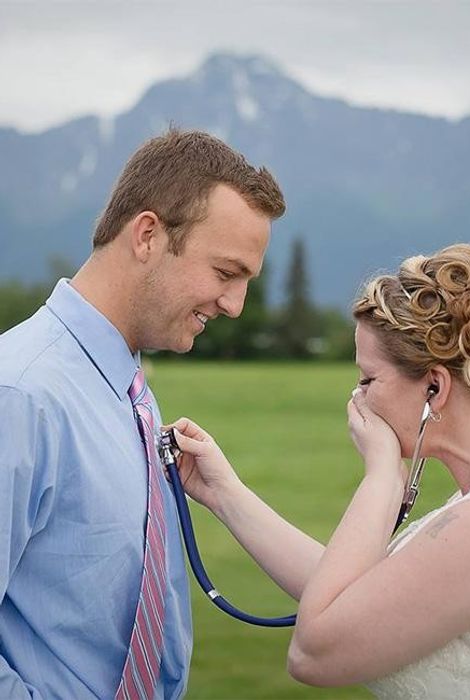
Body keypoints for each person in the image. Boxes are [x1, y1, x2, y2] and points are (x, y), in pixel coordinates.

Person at [168, 243, 470, 698]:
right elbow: (357, 599)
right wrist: (224, 492)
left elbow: (315, 651)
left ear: (434, 386)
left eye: (369, 380)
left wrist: (382, 477)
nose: (357, 399)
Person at [0, 129, 285, 699]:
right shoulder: (20, 394)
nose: (235, 305)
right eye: (226, 273)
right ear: (148, 236)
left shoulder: (126, 386)